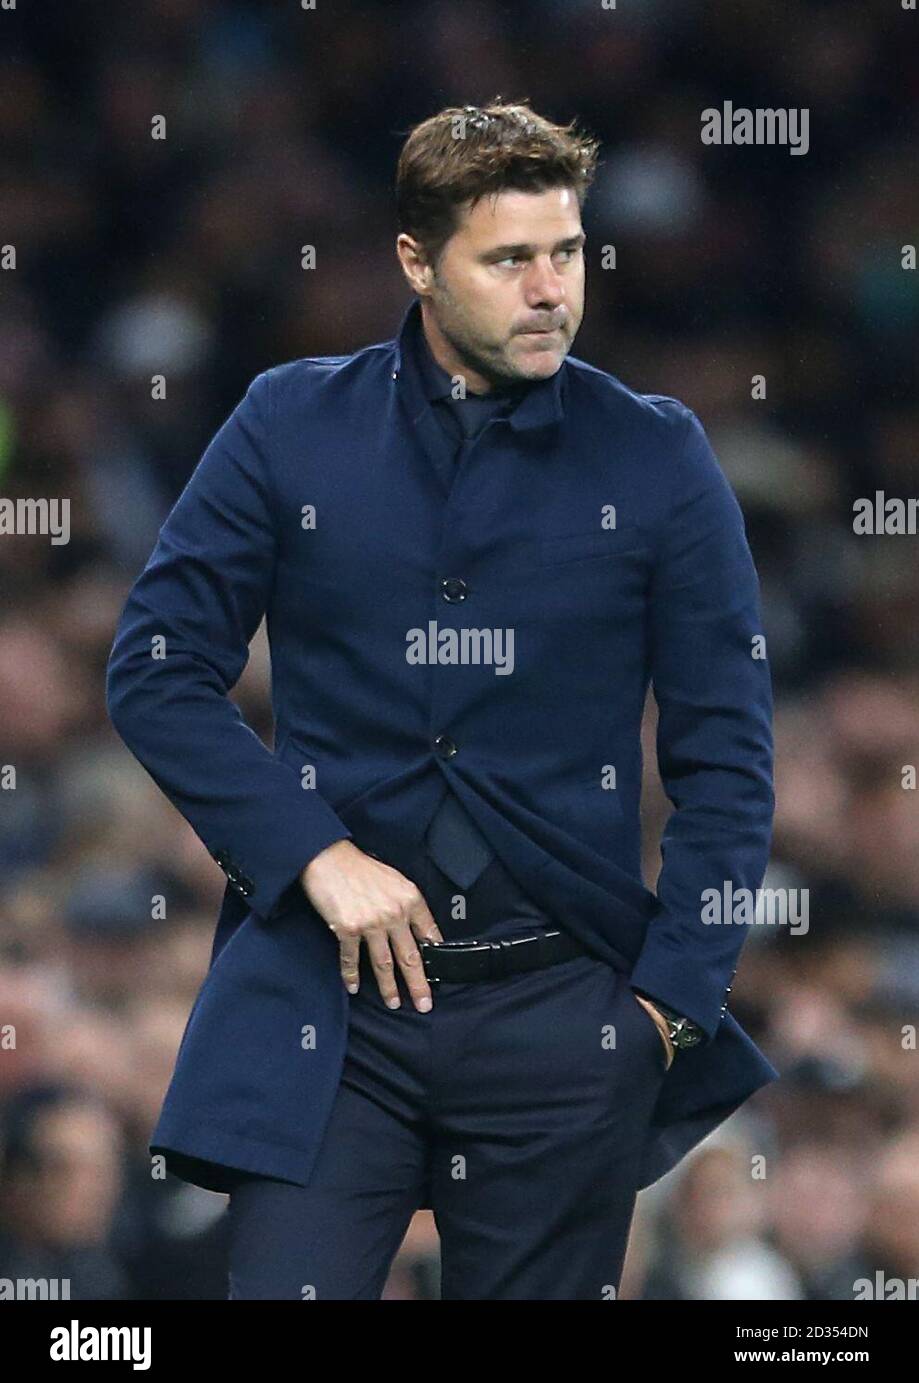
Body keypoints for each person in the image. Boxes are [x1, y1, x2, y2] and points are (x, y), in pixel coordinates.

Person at [106, 98, 778, 1300]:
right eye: (509, 258)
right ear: (416, 261)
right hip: (333, 1008)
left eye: (566, 252)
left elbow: (727, 753)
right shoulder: (286, 424)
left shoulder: (656, 455)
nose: (549, 289)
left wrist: (669, 1005)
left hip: (566, 1015)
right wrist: (310, 852)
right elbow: (157, 669)